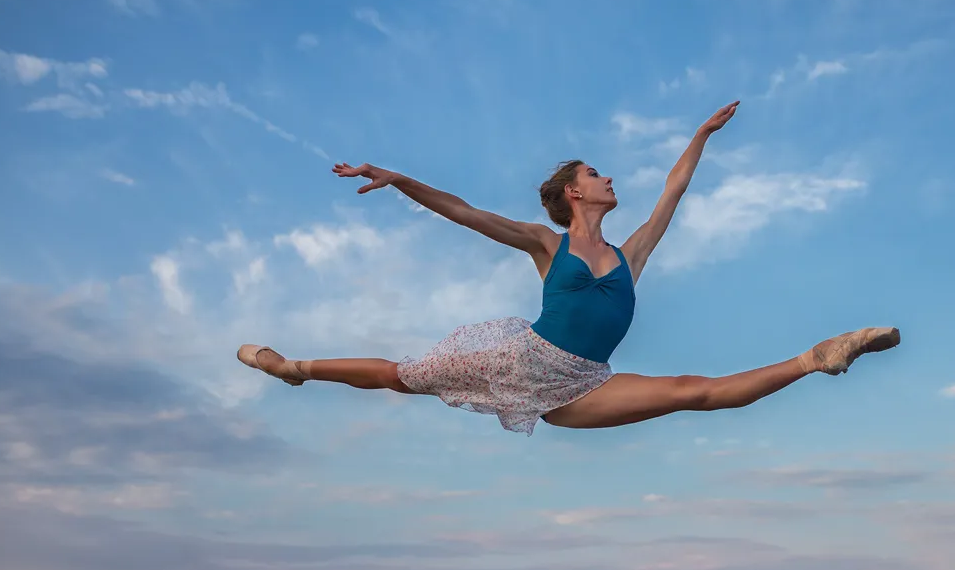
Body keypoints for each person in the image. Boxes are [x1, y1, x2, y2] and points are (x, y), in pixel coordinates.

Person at [238, 101, 900, 435]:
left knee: (693, 391)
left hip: (583, 386)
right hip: (522, 363)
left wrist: (698, 137)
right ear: (573, 194)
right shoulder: (544, 244)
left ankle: (818, 357)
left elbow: (674, 191)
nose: (608, 176)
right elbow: (462, 211)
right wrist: (398, 177)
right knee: (397, 376)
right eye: (595, 172)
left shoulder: (628, 255)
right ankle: (291, 368)